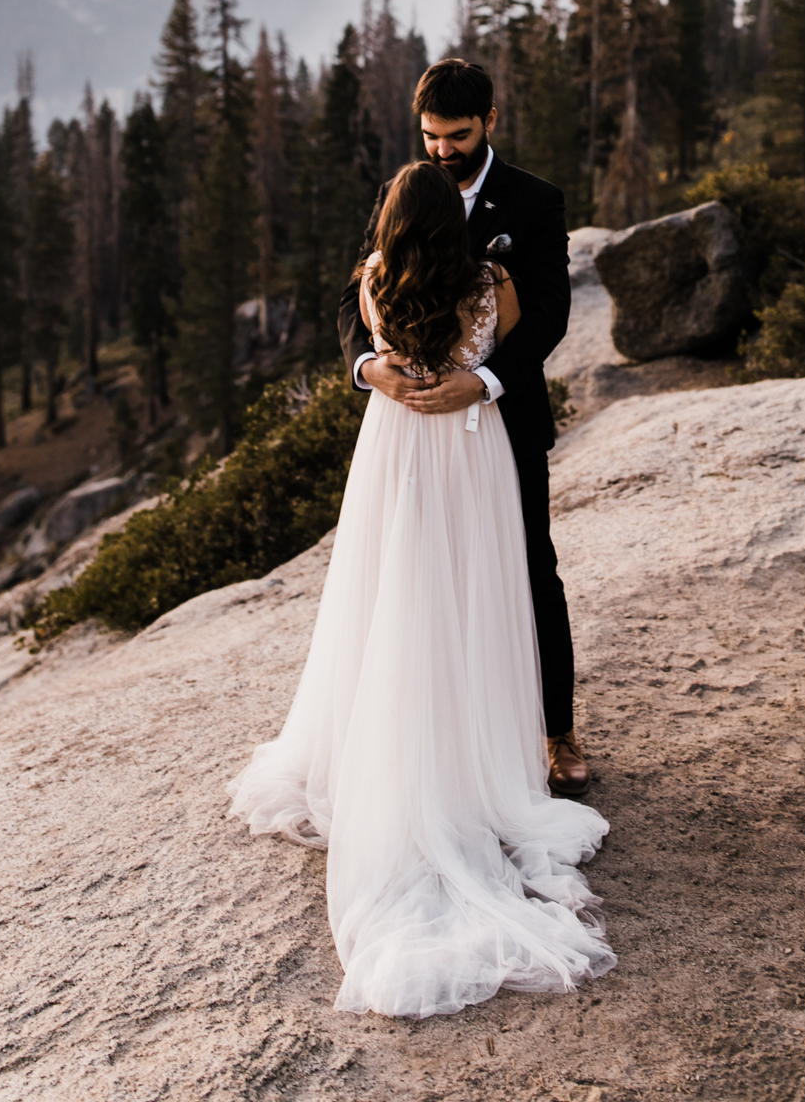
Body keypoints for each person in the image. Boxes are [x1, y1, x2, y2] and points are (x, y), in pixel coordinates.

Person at [229, 159, 614, 1018]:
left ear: (392, 225)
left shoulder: (373, 281)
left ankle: (393, 737)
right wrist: (463, 380)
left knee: (389, 591)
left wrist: (389, 375)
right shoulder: (489, 284)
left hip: (395, 454)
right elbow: (512, 340)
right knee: (474, 590)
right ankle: (487, 750)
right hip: (469, 454)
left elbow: (379, 329)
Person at [339, 57, 591, 796]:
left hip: (503, 421)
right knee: (417, 576)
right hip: (410, 429)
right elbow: (350, 296)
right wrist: (369, 369)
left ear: (488, 123)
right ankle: (429, 735)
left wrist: (480, 381)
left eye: (455, 136)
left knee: (529, 571)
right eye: (429, 136)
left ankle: (555, 732)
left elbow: (548, 312)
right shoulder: (402, 192)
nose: (441, 151)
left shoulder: (534, 202)